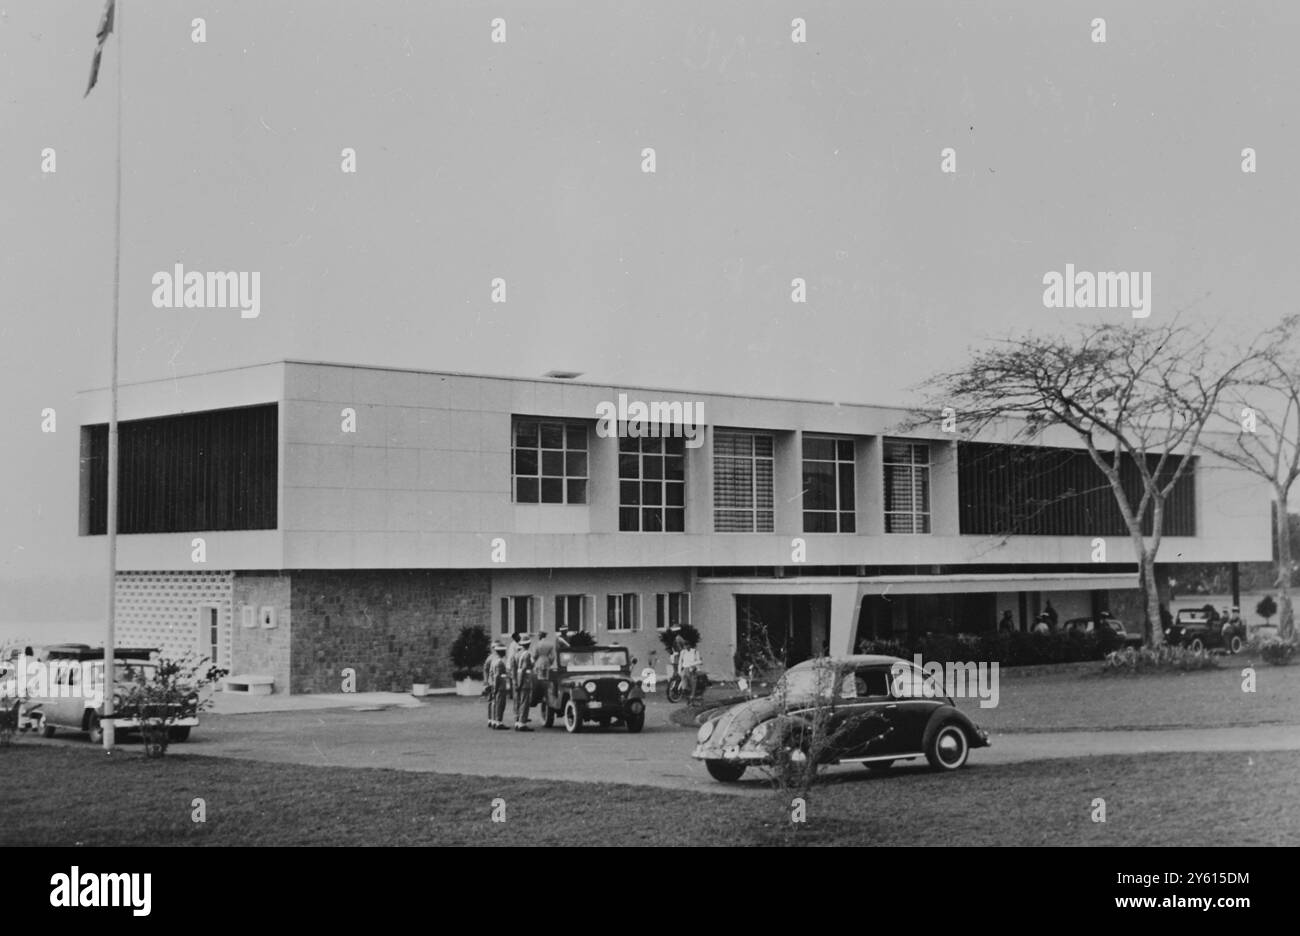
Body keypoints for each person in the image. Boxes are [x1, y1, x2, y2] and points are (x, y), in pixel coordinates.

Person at [485, 641, 511, 730]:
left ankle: (495, 721)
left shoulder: (495, 661)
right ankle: (499, 722)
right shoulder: (500, 663)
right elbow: (497, 676)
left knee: (495, 704)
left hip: (495, 685)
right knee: (500, 704)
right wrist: (496, 688)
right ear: (502, 652)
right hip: (500, 687)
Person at [512, 634, 534, 731]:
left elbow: (514, 669)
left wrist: (516, 682)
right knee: (525, 702)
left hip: (517, 679)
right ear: (528, 644)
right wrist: (520, 683)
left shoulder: (516, 654)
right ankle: (522, 723)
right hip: (525, 680)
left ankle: (517, 721)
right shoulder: (527, 654)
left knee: (518, 701)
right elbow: (524, 668)